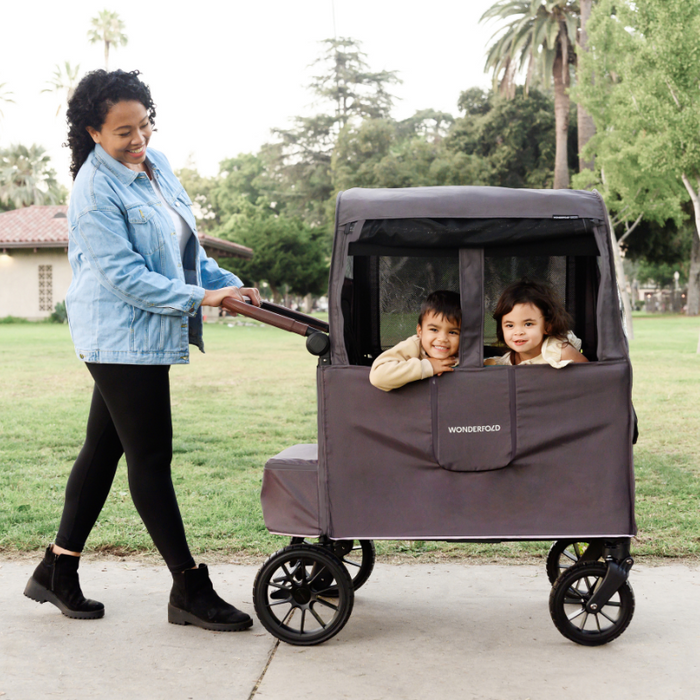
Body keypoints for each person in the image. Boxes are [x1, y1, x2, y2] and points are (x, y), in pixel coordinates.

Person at [24, 69, 257, 632]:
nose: (138, 139)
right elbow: (128, 277)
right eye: (122, 130)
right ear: (93, 133)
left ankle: (56, 570)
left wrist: (225, 282)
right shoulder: (92, 191)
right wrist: (205, 298)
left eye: (144, 124)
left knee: (103, 449)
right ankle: (188, 588)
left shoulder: (158, 167)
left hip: (144, 331)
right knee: (150, 457)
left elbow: (183, 248)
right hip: (118, 334)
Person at [369, 290, 461, 391]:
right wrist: (427, 366)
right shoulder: (413, 345)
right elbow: (378, 376)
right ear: (420, 331)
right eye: (434, 330)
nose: (443, 339)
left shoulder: (463, 352)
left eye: (452, 332)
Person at [485, 279, 588, 367]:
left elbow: (590, 376)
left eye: (528, 324)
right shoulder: (509, 360)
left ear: (547, 326)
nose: (518, 332)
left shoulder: (559, 351)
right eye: (510, 325)